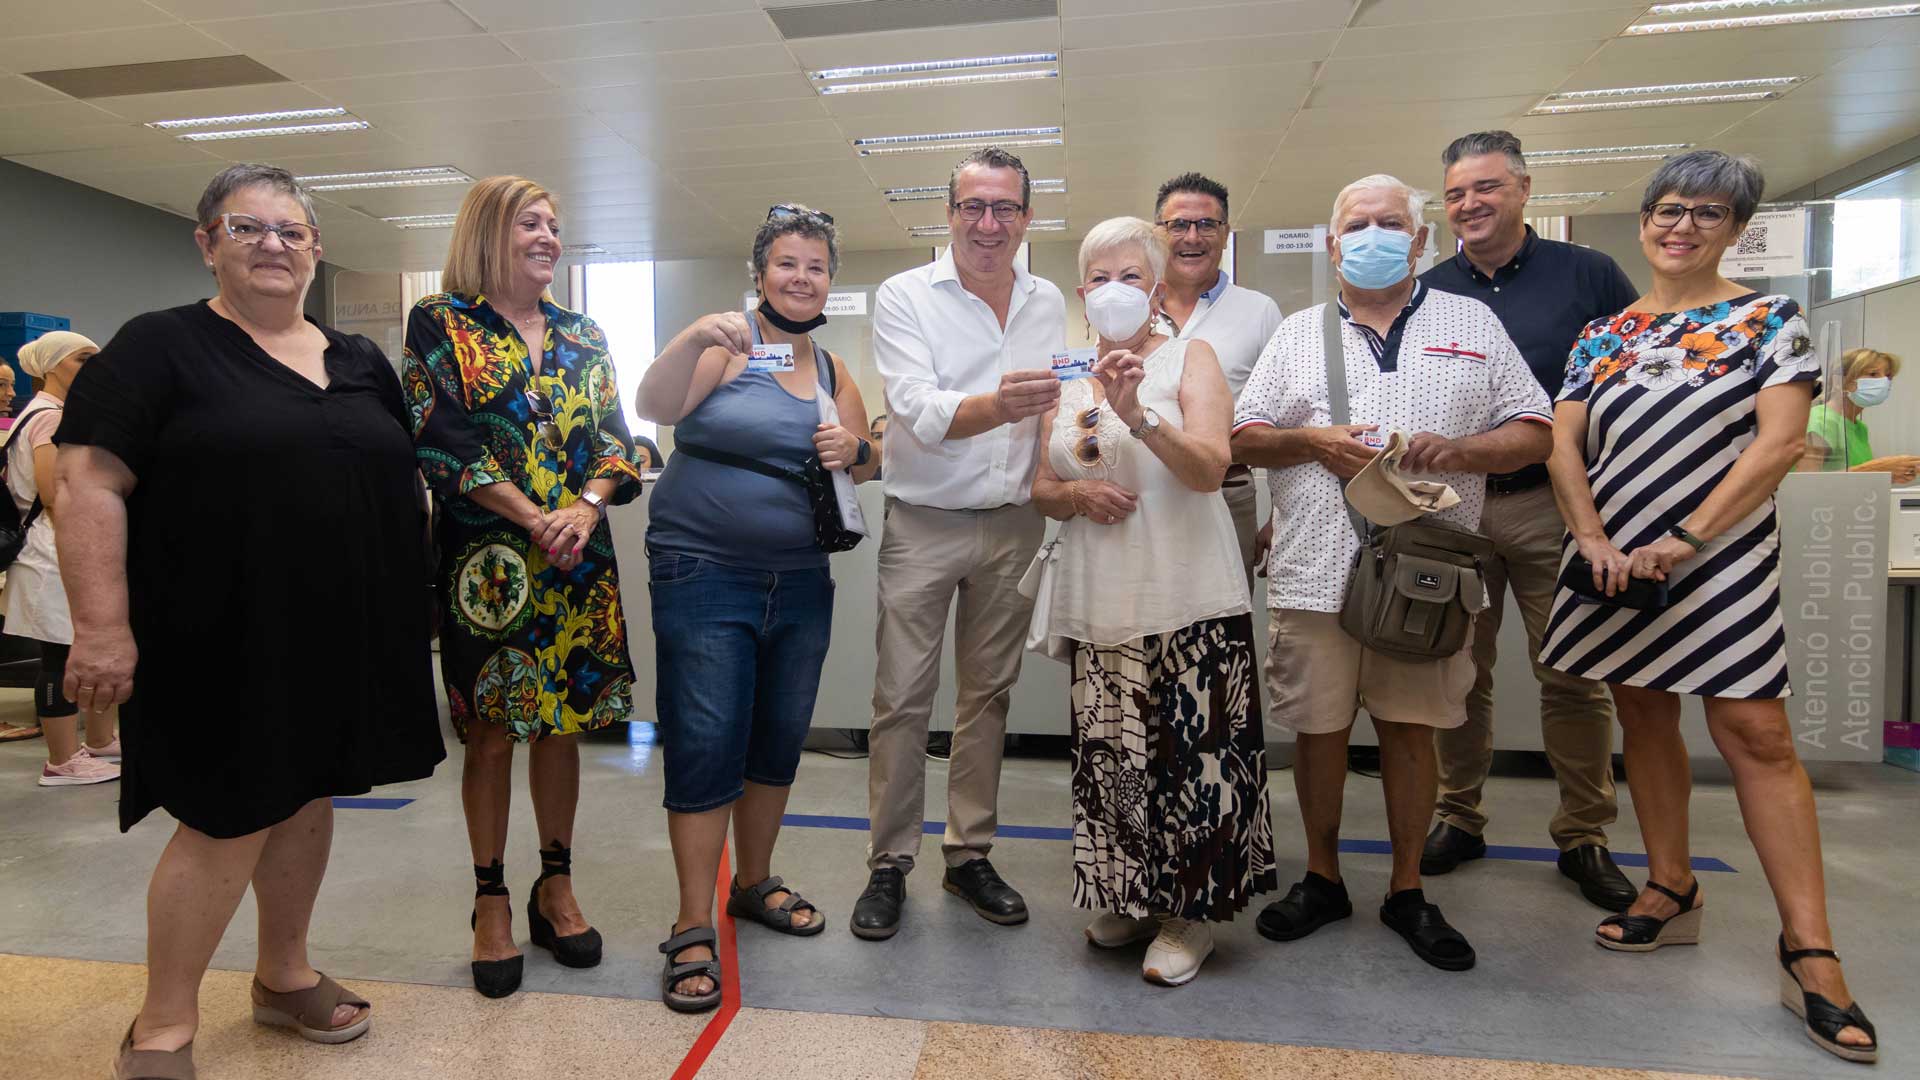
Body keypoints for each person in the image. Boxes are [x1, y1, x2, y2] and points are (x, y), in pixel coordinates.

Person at [55, 163, 443, 1078]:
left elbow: (398, 478)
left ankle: (282, 976)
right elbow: (86, 481)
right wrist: (101, 627)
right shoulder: (159, 348)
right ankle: (161, 1025)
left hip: (341, 633)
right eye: (247, 227)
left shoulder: (355, 359)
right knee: (226, 818)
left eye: (291, 230)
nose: (273, 244)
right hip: (220, 632)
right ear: (207, 243)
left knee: (308, 800)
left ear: (315, 248)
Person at [1540, 150, 1878, 1065]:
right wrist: (1595, 540)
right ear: (1645, 220)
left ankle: (1810, 949)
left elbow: (1778, 445)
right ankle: (1670, 888)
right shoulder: (1602, 334)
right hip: (1613, 561)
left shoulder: (1772, 320)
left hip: (1718, 559)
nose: (1681, 226)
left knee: (1756, 735)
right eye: (1667, 210)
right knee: (1643, 716)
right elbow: (1566, 451)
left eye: (1706, 213)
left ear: (1734, 227)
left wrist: (1686, 539)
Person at [1231, 173, 1553, 972]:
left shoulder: (1471, 323)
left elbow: (1536, 426)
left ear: (1419, 240)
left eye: (1390, 223)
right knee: (1319, 729)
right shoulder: (1300, 333)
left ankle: (1408, 888)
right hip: (1315, 571)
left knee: (1413, 731)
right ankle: (1324, 878)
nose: (1372, 235)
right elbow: (1244, 435)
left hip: (1428, 574)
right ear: (1334, 244)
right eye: (1356, 225)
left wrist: (1465, 451)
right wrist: (1314, 443)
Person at [402, 175, 644, 999]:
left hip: (580, 557)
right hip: (490, 570)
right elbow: (441, 441)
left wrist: (582, 507)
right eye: (529, 224)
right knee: (495, 732)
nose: (548, 237)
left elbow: (617, 442)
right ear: (486, 233)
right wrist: (533, 516)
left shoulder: (585, 333)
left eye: (554, 225)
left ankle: (556, 884)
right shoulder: (443, 325)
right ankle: (491, 898)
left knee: (564, 726)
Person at [635, 204, 878, 1012]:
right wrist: (692, 338)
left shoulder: (836, 370)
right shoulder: (728, 345)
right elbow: (656, 407)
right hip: (704, 571)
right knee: (706, 740)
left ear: (829, 283)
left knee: (776, 738)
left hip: (800, 580)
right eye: (786, 263)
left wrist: (860, 450)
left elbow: (869, 457)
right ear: (761, 273)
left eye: (815, 266)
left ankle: (755, 882)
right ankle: (689, 923)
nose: (801, 277)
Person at [1031, 216, 1275, 986]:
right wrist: (1075, 494)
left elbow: (1210, 468)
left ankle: (1189, 914)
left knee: (1191, 761)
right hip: (1102, 600)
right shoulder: (1067, 374)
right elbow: (1041, 488)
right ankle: (1131, 895)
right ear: (1081, 292)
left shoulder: (1188, 358)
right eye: (1099, 278)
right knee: (1114, 759)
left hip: (1188, 596)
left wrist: (1140, 416)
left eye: (1131, 277)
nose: (1114, 292)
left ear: (1159, 290)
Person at [1416, 131, 1641, 911]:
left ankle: (1585, 834)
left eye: (1485, 188)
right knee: (1455, 673)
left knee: (1573, 675)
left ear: (1522, 189)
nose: (1469, 204)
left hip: (1553, 506)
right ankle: (1457, 814)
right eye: (1455, 194)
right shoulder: (1428, 292)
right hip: (1458, 511)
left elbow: (1632, 393)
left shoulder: (1592, 277)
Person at [853, 146, 1065, 940]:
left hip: (1014, 526)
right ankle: (888, 862)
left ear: (1025, 218)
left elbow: (1054, 409)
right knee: (902, 699)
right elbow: (917, 409)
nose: (987, 223)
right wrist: (1002, 405)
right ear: (949, 214)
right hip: (924, 526)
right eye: (972, 207)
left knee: (988, 698)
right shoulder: (905, 295)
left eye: (1004, 208)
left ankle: (969, 852)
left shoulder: (1046, 301)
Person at [1151, 173, 1283, 587]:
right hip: (1143, 495)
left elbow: (1289, 421)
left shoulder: (1259, 312)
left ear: (1225, 235)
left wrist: (1280, 516)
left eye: (1207, 225)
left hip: (1228, 495)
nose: (1193, 237)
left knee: (1222, 630)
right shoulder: (1131, 309)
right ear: (1158, 234)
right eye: (1178, 225)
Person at [3, 332, 120, 784]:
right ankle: (61, 759)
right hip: (51, 554)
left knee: (83, 651)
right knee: (61, 658)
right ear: (51, 366)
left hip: (59, 549)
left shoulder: (47, 415)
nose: (92, 366)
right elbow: (56, 493)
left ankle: (99, 739)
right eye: (82, 358)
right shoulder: (48, 418)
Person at [1804, 347, 1917, 484]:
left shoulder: (1859, 428)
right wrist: (1878, 470)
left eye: (1888, 376)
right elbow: (1806, 484)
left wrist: (1891, 473)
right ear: (1840, 381)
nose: (1884, 382)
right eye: (1873, 374)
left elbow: (1854, 481)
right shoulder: (1819, 422)